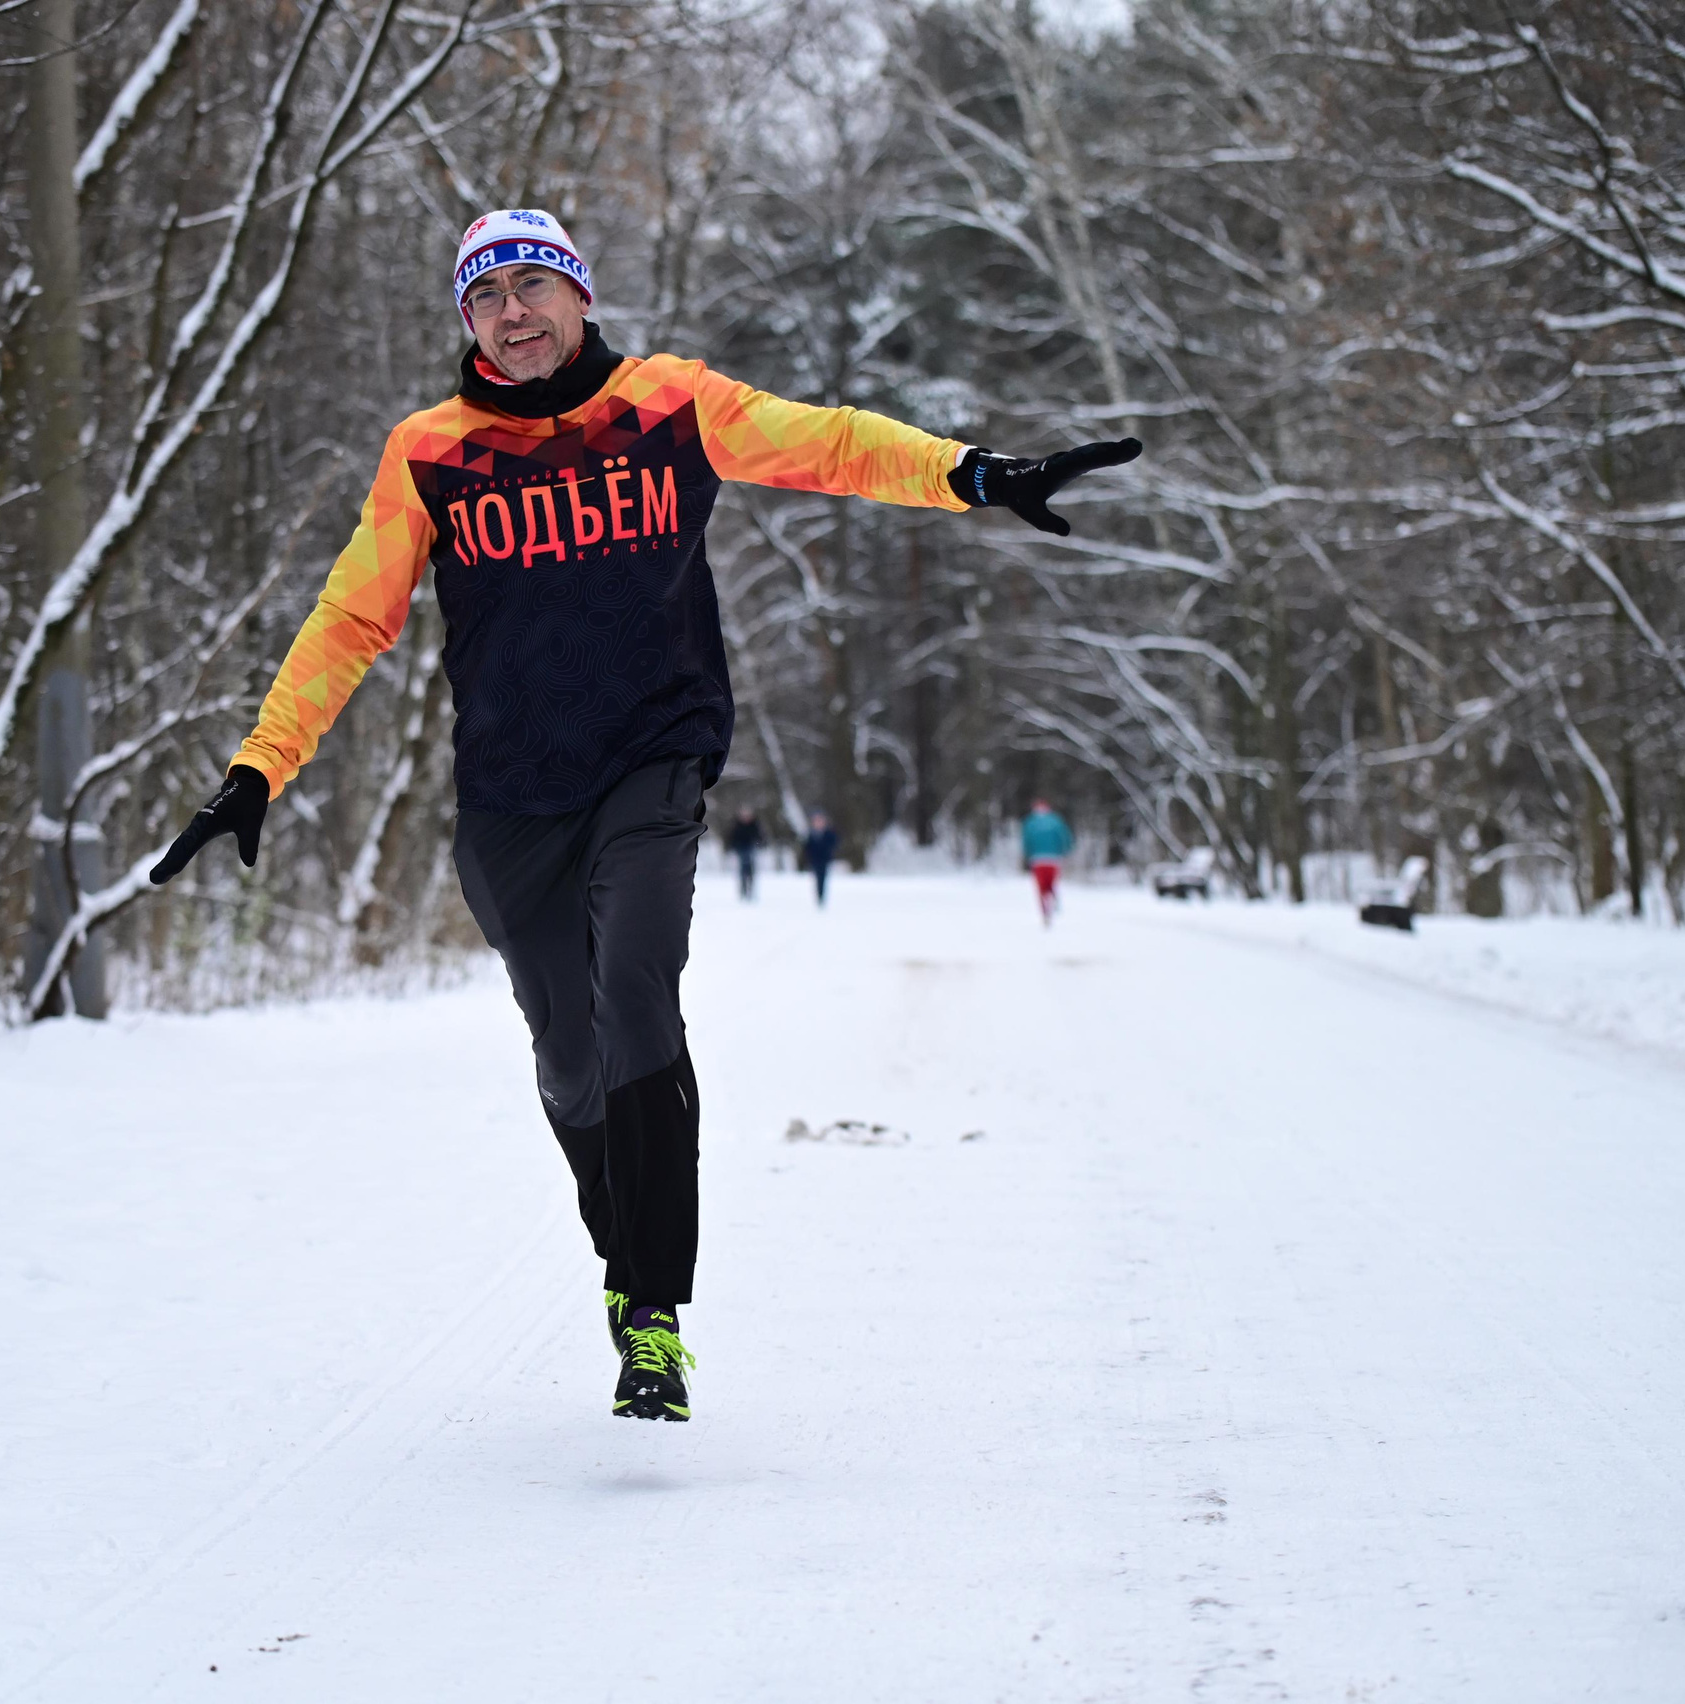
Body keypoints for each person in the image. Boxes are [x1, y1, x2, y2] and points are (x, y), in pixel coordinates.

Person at [148, 209, 1141, 1422]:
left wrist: (972, 474)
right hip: (511, 797)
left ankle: (651, 1315)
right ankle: (628, 1252)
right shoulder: (429, 451)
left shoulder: (670, 405)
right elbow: (354, 618)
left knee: (638, 993)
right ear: (468, 324)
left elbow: (827, 446)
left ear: (578, 292)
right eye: (485, 298)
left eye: (531, 286)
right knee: (567, 1055)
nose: (512, 315)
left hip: (650, 766)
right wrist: (260, 766)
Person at [1021, 798, 1074, 924]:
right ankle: (1052, 897)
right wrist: (1066, 850)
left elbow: (1026, 841)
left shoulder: (1030, 822)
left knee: (1041, 886)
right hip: (1054, 858)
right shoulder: (1055, 820)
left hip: (1038, 859)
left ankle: (1045, 911)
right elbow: (1065, 837)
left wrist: (1027, 855)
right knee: (1051, 883)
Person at [801, 812, 840, 908]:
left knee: (823, 878)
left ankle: (821, 896)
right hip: (815, 860)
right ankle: (819, 895)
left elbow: (834, 843)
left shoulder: (828, 833)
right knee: (817, 878)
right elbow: (807, 846)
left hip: (824, 860)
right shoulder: (812, 833)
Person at [726, 807, 765, 901]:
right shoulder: (737, 826)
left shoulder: (754, 825)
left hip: (751, 849)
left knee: (751, 871)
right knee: (743, 871)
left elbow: (760, 837)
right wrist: (734, 847)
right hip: (741, 850)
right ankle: (743, 890)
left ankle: (750, 890)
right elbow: (732, 838)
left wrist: (758, 844)